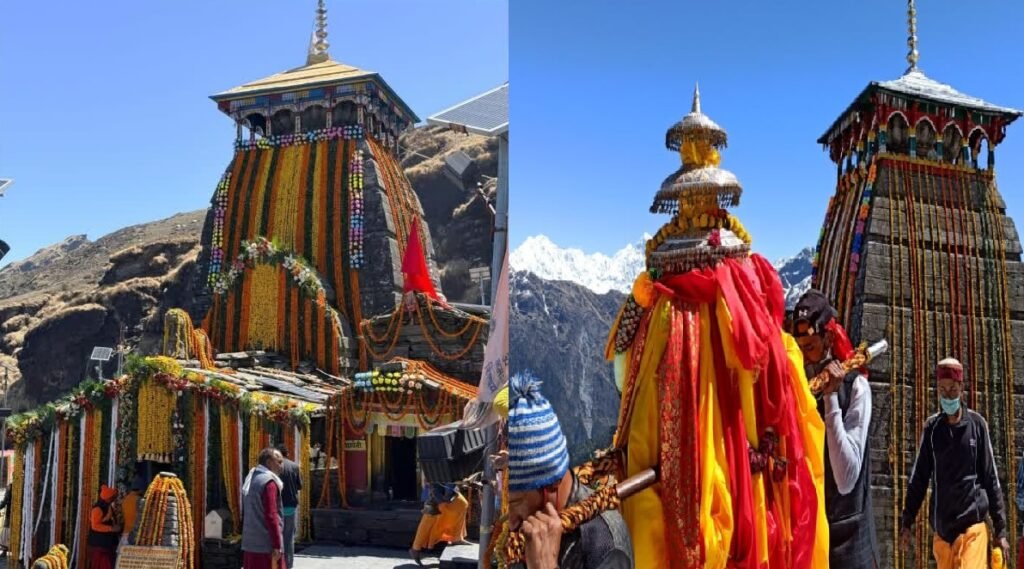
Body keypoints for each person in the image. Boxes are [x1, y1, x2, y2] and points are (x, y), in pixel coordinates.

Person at [505, 374, 633, 569]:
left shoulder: (605, 546)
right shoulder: (525, 529)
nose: (511, 521)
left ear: (552, 484)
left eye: (515, 503)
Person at [791, 289, 879, 568]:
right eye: (799, 348)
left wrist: (830, 398)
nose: (804, 359)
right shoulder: (798, 390)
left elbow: (846, 477)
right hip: (811, 533)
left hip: (850, 541)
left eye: (811, 346)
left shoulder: (857, 388)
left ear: (829, 338)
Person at [900, 358, 1010, 568]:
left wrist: (1001, 530)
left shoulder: (977, 426)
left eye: (952, 389)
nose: (947, 395)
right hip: (943, 533)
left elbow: (991, 478)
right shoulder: (932, 430)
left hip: (972, 529)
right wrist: (907, 521)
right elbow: (919, 479)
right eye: (942, 390)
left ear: (961, 388)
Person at [242, 448, 286, 569]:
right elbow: (271, 515)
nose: (282, 466)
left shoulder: (251, 478)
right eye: (279, 461)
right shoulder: (269, 482)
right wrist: (277, 545)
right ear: (268, 462)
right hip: (266, 546)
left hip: (250, 542)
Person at [409, 483, 471, 565]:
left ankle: (457, 538)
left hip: (450, 487)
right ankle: (415, 548)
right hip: (438, 490)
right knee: (428, 521)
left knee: (462, 504)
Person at [274, 444, 303, 569]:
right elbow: (300, 486)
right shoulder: (295, 466)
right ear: (288, 454)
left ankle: (277, 564)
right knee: (288, 538)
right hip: (290, 506)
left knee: (275, 538)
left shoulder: (273, 467)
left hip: (276, 507)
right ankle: (288, 565)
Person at [88, 485, 122, 569]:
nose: (114, 498)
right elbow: (95, 526)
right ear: (108, 498)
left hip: (107, 544)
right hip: (100, 544)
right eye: (113, 497)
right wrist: (111, 529)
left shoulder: (108, 507)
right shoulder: (97, 509)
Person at [119, 476, 145, 548]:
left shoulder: (125, 499)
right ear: (140, 489)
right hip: (134, 535)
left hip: (125, 533)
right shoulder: (140, 500)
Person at [0, 483, 11, 557]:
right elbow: (4, 501)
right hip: (10, 513)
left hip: (19, 514)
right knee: (6, 531)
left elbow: (4, 501)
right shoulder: (10, 487)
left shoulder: (26, 486)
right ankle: (5, 549)